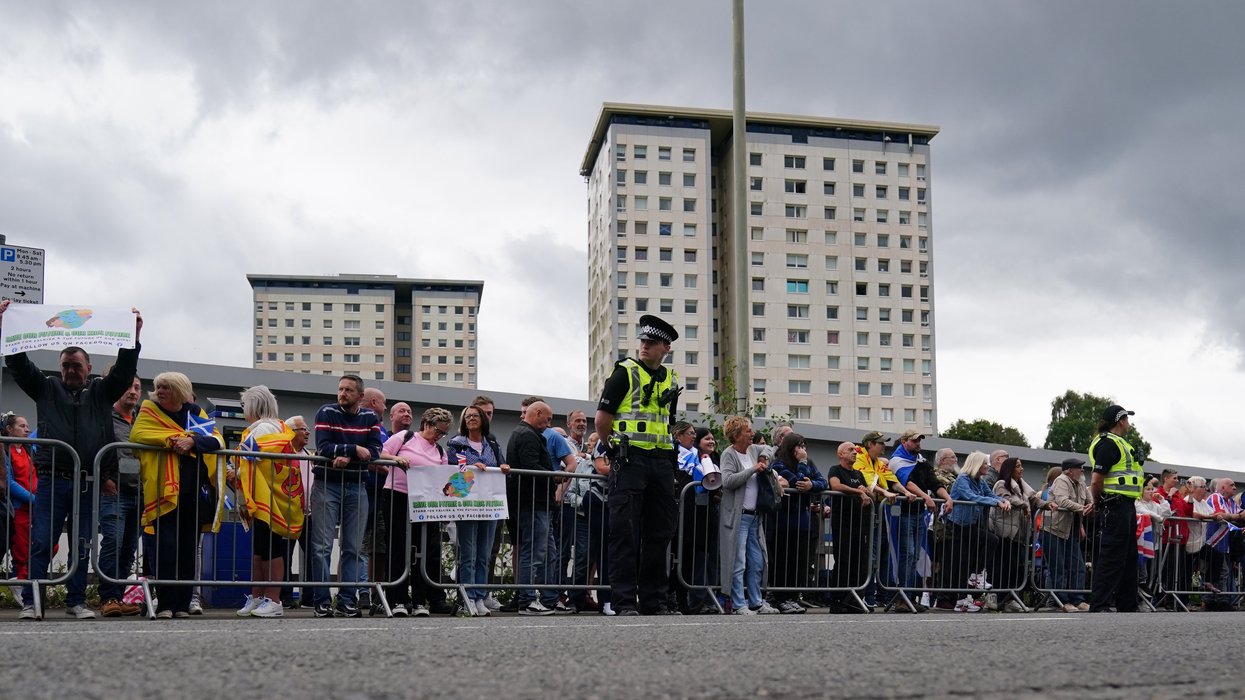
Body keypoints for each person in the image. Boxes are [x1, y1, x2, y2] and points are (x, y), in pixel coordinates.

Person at [0, 300, 143, 620]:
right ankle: (31, 601)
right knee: (41, 541)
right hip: (52, 478)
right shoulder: (46, 388)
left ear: (88, 368)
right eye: (65, 365)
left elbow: (123, 371)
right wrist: (5, 328)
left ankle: (76, 601)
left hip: (86, 482)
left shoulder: (102, 392)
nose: (70, 370)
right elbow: (20, 366)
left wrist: (132, 338)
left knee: (82, 543)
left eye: (76, 365)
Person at [595, 314, 682, 616]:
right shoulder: (625, 372)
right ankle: (623, 603)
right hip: (630, 461)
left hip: (660, 463)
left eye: (652, 342)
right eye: (643, 341)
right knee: (625, 535)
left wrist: (670, 468)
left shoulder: (670, 379)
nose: (644, 346)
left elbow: (669, 424)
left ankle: (653, 602)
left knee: (659, 535)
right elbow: (601, 420)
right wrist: (613, 449)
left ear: (665, 348)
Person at [130, 372, 226, 619]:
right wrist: (174, 440)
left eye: (166, 387)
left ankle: (182, 605)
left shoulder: (195, 412)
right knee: (165, 549)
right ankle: (164, 605)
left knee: (186, 550)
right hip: (164, 492)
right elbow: (138, 435)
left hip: (193, 493)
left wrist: (193, 442)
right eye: (158, 387)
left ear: (179, 390)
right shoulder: (149, 410)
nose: (159, 391)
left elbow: (217, 439)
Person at [310, 374, 383, 618]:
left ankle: (346, 600)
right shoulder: (326, 412)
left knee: (352, 547)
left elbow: (374, 451)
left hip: (356, 486)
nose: (342, 394)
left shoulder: (370, 417)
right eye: (340, 389)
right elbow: (323, 447)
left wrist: (347, 456)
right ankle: (321, 600)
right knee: (322, 546)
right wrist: (354, 449)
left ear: (361, 396)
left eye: (348, 390)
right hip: (326, 484)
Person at [235, 386, 304, 618]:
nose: (244, 410)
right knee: (261, 550)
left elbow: (251, 457)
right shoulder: (271, 427)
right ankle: (259, 596)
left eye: (245, 405)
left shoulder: (265, 427)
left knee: (270, 549)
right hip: (264, 495)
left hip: (270, 497)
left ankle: (272, 599)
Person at [379, 406, 451, 617]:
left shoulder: (440, 450)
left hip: (424, 502)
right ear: (427, 424)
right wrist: (396, 460)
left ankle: (420, 601)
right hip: (398, 495)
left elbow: (444, 476)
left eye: (443, 433)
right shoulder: (405, 437)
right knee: (397, 547)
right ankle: (397, 599)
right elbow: (381, 452)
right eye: (438, 431)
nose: (439, 436)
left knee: (423, 550)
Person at [446, 404, 510, 617]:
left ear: (483, 419)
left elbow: (501, 465)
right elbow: (457, 467)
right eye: (468, 416)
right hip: (468, 505)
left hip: (489, 504)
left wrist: (504, 468)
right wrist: (475, 467)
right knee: (469, 553)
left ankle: (480, 596)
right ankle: (468, 597)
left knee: (484, 553)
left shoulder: (491, 442)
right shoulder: (457, 443)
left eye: (475, 415)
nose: (471, 419)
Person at [718, 416, 781, 615]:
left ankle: (756, 601)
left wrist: (764, 459)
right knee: (739, 563)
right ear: (736, 435)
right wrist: (754, 469)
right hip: (738, 518)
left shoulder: (753, 450)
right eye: (747, 431)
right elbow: (727, 481)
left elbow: (772, 448)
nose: (751, 434)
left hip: (756, 516)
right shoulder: (729, 454)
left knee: (757, 561)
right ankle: (738, 604)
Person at [1087, 404, 1142, 613]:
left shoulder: (1120, 443)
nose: (1129, 422)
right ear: (1121, 420)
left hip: (1126, 505)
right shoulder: (1108, 443)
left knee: (1128, 558)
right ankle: (1099, 604)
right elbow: (1096, 480)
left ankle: (1127, 604)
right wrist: (1098, 501)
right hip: (1114, 504)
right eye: (1127, 418)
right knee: (1111, 557)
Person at [98, 376, 144, 617]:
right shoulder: (104, 416)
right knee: (112, 542)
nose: (133, 391)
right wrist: (105, 477)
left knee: (128, 549)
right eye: (128, 386)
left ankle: (118, 595)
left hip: (139, 493)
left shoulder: (143, 419)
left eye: (137, 387)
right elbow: (94, 446)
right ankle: (108, 598)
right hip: (114, 492)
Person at [507, 400, 558, 615]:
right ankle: (527, 600)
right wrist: (554, 478)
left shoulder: (525, 433)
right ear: (537, 413)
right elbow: (531, 467)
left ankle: (546, 598)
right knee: (534, 551)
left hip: (536, 502)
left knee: (547, 552)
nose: (548, 424)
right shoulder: (527, 435)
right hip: (532, 502)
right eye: (547, 419)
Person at [887, 430, 946, 612]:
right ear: (904, 442)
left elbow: (933, 482)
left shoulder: (921, 460)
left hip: (918, 514)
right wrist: (926, 498)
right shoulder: (896, 461)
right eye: (914, 441)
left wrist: (948, 498)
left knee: (915, 557)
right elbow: (908, 482)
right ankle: (902, 598)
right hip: (903, 514)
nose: (918, 443)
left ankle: (910, 597)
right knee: (908, 554)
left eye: (919, 440)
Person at [768, 432, 825, 614]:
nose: (803, 450)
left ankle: (793, 596)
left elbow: (822, 482)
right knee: (784, 560)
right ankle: (782, 598)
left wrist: (812, 486)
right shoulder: (779, 463)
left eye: (804, 446)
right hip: (783, 520)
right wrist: (802, 465)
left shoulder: (808, 463)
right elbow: (799, 482)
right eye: (799, 446)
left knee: (800, 561)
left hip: (803, 520)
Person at [946, 452, 1010, 612]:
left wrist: (1004, 500)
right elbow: (971, 497)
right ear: (976, 465)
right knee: (989, 541)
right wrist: (997, 503)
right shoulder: (962, 479)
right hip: (958, 525)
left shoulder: (979, 481)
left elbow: (990, 494)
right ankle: (975, 577)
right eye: (984, 464)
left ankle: (964, 598)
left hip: (970, 524)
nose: (987, 467)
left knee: (966, 561)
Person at [989, 457, 1043, 611]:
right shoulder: (1001, 484)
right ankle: (1000, 598)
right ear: (1010, 469)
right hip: (1004, 532)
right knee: (1003, 567)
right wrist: (1024, 505)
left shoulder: (1022, 485)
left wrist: (1047, 504)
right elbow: (1006, 499)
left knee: (1016, 567)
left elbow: (1033, 500)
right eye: (1018, 466)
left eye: (1021, 466)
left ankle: (1011, 597)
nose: (1022, 469)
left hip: (1019, 534)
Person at [853, 431, 900, 608]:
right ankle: (868, 596)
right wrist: (885, 492)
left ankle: (881, 596)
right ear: (870, 444)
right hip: (865, 514)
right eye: (880, 443)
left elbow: (892, 480)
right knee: (870, 556)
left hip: (879, 514)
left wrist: (907, 492)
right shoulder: (860, 457)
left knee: (882, 556)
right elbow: (869, 482)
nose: (884, 446)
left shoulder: (879, 463)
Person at [826, 442, 872, 613]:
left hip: (860, 523)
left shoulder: (859, 473)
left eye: (855, 450)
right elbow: (835, 486)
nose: (855, 452)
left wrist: (864, 490)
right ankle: (837, 600)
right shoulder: (835, 469)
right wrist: (857, 491)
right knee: (843, 560)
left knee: (859, 562)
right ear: (840, 454)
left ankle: (854, 600)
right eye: (850, 450)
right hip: (843, 523)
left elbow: (870, 492)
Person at [1042, 458, 1092, 612]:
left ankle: (1077, 600)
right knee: (1059, 568)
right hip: (1054, 530)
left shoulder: (1081, 484)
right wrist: (1082, 508)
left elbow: (1090, 500)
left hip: (1071, 531)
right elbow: (1062, 501)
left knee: (1078, 567)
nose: (1083, 470)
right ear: (1070, 470)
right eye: (1079, 468)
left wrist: (1091, 505)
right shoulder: (1061, 480)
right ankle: (1062, 601)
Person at [280, 415, 314, 607]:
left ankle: (309, 598)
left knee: (312, 555)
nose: (308, 432)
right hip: (288, 513)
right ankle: (285, 597)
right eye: (303, 429)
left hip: (308, 514)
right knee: (285, 555)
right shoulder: (284, 453)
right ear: (291, 432)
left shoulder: (309, 455)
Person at [3, 414, 34, 583]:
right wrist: (33, 499)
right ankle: (21, 582)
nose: (27, 429)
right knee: (21, 549)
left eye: (27, 426)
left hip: (35, 507)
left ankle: (22, 579)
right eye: (22, 426)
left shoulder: (30, 449)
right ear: (9, 429)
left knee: (50, 544)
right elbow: (9, 482)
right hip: (19, 507)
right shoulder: (5, 451)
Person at [1135, 477, 1173, 598]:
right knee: (1141, 568)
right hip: (1141, 542)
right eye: (1148, 489)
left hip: (1154, 542)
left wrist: (1163, 501)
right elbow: (1146, 513)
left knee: (1152, 570)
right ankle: (1138, 593)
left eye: (1152, 489)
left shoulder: (1155, 504)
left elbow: (1167, 514)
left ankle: (1146, 596)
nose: (1151, 492)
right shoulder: (1137, 503)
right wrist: (1159, 518)